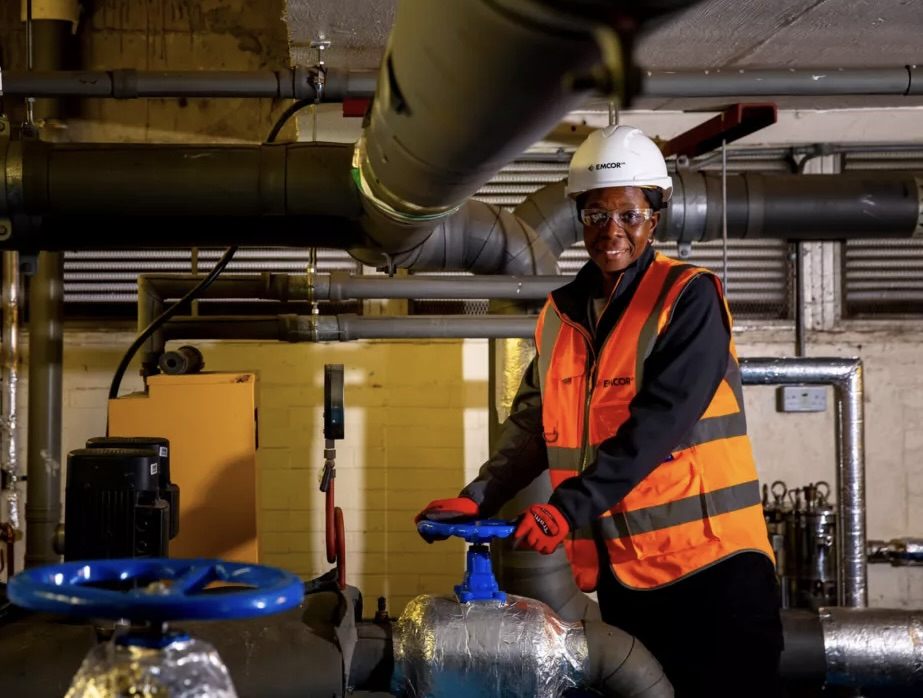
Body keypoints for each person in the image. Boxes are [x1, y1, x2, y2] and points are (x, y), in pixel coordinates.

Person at [415, 125, 784, 696]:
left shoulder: (688, 298)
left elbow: (659, 424)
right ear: (579, 216)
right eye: (596, 215)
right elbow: (535, 424)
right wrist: (480, 493)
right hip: (624, 574)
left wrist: (567, 507)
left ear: (654, 217)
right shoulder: (559, 315)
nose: (612, 231)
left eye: (629, 216)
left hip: (713, 570)